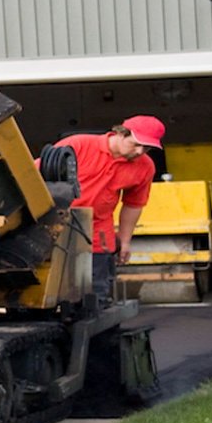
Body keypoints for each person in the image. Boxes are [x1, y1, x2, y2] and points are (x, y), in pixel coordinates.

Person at [52, 115, 166, 303]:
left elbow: (133, 204)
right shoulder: (77, 145)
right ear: (120, 133)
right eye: (135, 144)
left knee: (97, 290)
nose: (140, 151)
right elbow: (34, 176)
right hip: (55, 224)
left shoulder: (145, 167)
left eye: (146, 148)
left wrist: (125, 240)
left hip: (98, 232)